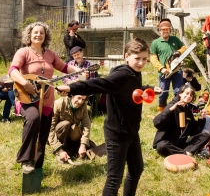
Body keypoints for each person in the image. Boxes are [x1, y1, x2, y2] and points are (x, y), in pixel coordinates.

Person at [57, 38, 162, 196]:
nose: (141, 63)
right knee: (114, 179)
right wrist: (72, 87)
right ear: (126, 56)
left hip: (131, 131)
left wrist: (148, 88)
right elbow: (98, 83)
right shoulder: (122, 74)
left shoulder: (134, 73)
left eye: (145, 59)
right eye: (137, 58)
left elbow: (131, 88)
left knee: (136, 169)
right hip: (117, 134)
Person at [9, 22, 81, 175]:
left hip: (46, 99)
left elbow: (63, 67)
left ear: (45, 36)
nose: (38, 35)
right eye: (35, 32)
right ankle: (26, 160)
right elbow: (13, 71)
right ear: (29, 35)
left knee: (44, 133)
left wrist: (80, 72)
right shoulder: (23, 52)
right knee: (33, 118)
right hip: (26, 98)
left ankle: (38, 167)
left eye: (41, 33)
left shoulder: (50, 54)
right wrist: (25, 83)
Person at [153, 84, 209, 157]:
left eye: (191, 95)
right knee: (162, 146)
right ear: (180, 94)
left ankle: (183, 152)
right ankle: (186, 153)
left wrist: (202, 118)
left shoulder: (189, 109)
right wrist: (170, 110)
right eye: (187, 93)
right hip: (168, 142)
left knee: (205, 136)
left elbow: (194, 132)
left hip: (181, 143)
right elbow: (156, 122)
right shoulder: (172, 106)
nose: (189, 96)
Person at [150, 18, 187, 112]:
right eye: (163, 29)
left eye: (167, 29)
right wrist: (161, 68)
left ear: (170, 29)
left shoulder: (175, 39)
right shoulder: (156, 43)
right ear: (160, 30)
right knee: (162, 93)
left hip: (176, 70)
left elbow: (184, 47)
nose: (165, 31)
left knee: (178, 92)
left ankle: (178, 112)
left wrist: (178, 52)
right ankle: (162, 114)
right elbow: (153, 58)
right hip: (164, 72)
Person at [48, 93, 93, 163]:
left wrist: (83, 144)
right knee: (65, 124)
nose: (80, 102)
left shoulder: (83, 106)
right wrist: (59, 149)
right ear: (72, 95)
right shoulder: (58, 104)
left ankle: (72, 149)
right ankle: (60, 151)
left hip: (72, 135)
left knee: (92, 147)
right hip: (60, 137)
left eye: (83, 99)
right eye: (79, 98)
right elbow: (50, 128)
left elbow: (87, 126)